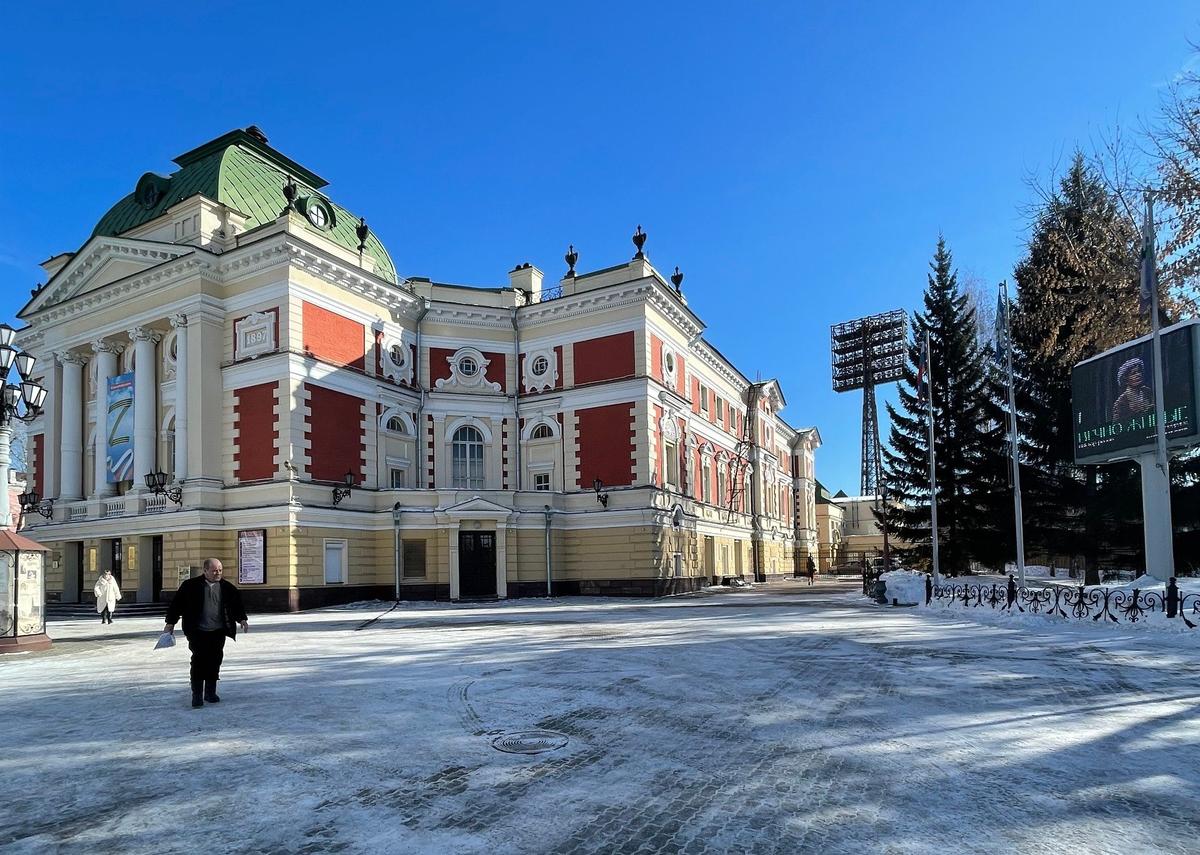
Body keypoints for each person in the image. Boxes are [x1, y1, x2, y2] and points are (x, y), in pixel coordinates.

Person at [163, 558, 248, 708]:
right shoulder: (190, 586)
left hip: (218, 631)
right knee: (199, 660)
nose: (218, 573)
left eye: (220, 570)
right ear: (205, 570)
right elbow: (177, 605)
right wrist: (170, 623)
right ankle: (197, 694)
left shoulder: (227, 587)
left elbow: (236, 605)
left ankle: (210, 692)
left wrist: (242, 619)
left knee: (215, 660)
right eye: (214, 571)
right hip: (197, 631)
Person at [1111, 357, 1154, 422]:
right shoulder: (1120, 403)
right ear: (1125, 379)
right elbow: (1117, 426)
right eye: (1133, 373)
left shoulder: (1147, 391)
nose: (1138, 375)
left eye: (1139, 371)